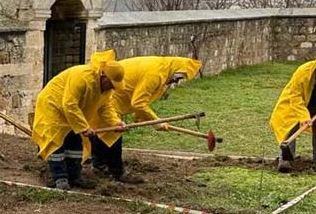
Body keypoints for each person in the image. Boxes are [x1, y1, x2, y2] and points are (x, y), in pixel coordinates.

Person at [91, 52, 203, 183]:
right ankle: (117, 172)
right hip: (110, 96)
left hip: (114, 95)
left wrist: (141, 117)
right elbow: (138, 102)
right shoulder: (155, 74)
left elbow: (144, 97)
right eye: (178, 78)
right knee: (114, 132)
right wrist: (157, 122)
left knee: (106, 131)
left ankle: (99, 165)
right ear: (176, 70)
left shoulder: (163, 70)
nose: (177, 81)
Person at [31, 57, 127, 190]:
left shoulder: (106, 89)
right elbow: (69, 104)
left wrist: (116, 122)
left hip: (73, 111)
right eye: (111, 84)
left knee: (75, 143)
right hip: (53, 107)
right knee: (55, 143)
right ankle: (60, 178)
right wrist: (83, 127)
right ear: (103, 75)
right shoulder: (82, 77)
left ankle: (75, 176)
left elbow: (105, 106)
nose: (112, 87)